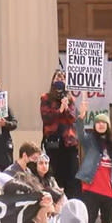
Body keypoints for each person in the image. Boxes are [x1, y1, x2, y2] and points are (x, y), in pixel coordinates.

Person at [40, 70, 81, 198]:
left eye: (63, 78)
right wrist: (60, 110)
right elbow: (46, 118)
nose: (60, 79)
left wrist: (67, 107)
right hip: (53, 142)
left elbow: (73, 118)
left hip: (69, 143)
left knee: (72, 175)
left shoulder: (70, 99)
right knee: (55, 174)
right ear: (53, 80)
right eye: (58, 77)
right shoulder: (46, 98)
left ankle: (72, 202)